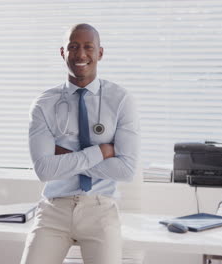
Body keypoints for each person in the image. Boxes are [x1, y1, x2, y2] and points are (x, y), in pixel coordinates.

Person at [20, 23, 140, 264]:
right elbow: (44, 170)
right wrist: (101, 151)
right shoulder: (44, 104)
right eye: (73, 47)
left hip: (100, 208)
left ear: (100, 53)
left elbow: (126, 170)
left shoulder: (120, 100)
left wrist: (64, 156)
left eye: (88, 47)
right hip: (54, 208)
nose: (81, 54)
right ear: (62, 52)